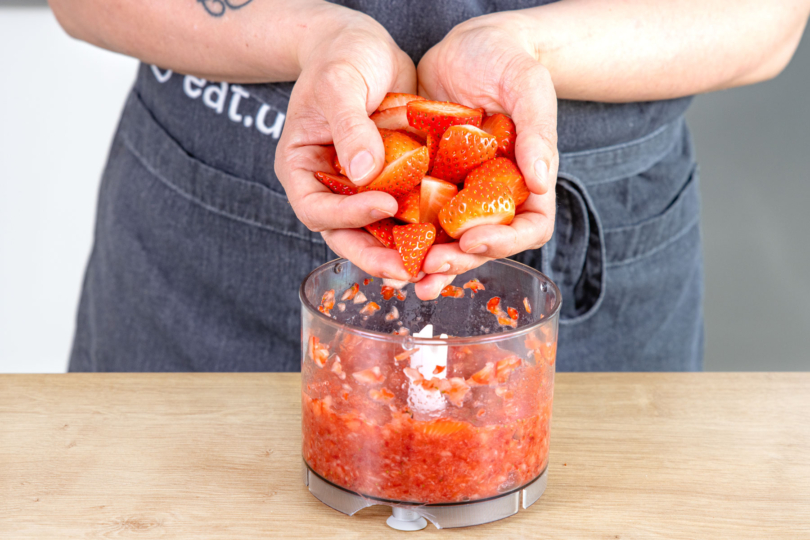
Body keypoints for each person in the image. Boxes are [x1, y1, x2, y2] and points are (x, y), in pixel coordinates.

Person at [50, 0, 809, 372]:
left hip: (596, 255)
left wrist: (528, 47)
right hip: (214, 242)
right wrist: (319, 37)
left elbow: (768, 16)